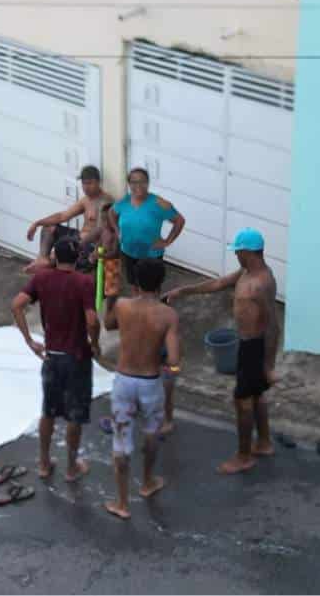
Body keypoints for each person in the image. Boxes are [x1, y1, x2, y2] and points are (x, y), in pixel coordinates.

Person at [163, 227, 279, 474]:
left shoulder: (260, 284)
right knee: (257, 394)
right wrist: (184, 291)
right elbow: (218, 283)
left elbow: (272, 325)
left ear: (249, 252)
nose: (236, 256)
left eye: (238, 252)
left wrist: (269, 365)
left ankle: (244, 456)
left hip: (254, 346)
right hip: (247, 343)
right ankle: (265, 442)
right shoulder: (246, 272)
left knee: (242, 400)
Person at [12, 236, 100, 483]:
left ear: (54, 257)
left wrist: (30, 340)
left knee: (48, 412)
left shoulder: (42, 278)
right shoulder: (84, 282)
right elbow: (92, 320)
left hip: (52, 357)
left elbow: (17, 305)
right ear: (78, 258)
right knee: (74, 415)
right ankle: (71, 468)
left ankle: (43, 462)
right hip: (77, 357)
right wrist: (95, 342)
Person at [108, 167, 185, 434]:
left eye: (142, 182)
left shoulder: (159, 204)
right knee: (134, 290)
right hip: (130, 254)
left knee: (150, 291)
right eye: (133, 182)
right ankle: (139, 310)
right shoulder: (123, 203)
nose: (137, 186)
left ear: (148, 184)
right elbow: (111, 215)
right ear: (129, 184)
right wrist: (117, 232)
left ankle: (150, 314)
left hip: (151, 257)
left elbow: (179, 220)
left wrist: (167, 241)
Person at [102, 258, 180, 520]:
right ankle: (147, 482)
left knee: (121, 441)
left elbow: (109, 324)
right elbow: (173, 360)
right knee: (151, 433)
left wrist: (111, 299)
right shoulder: (168, 315)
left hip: (124, 380)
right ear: (161, 284)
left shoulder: (123, 306)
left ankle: (122, 502)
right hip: (150, 382)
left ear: (135, 283)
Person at [25, 165, 114, 274]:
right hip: (78, 237)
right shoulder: (85, 200)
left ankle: (50, 264)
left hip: (89, 245)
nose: (86, 187)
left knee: (59, 256)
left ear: (98, 182)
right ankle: (43, 258)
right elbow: (63, 216)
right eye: (84, 183)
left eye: (90, 183)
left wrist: (88, 249)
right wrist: (37, 223)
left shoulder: (105, 202)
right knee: (50, 227)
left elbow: (101, 231)